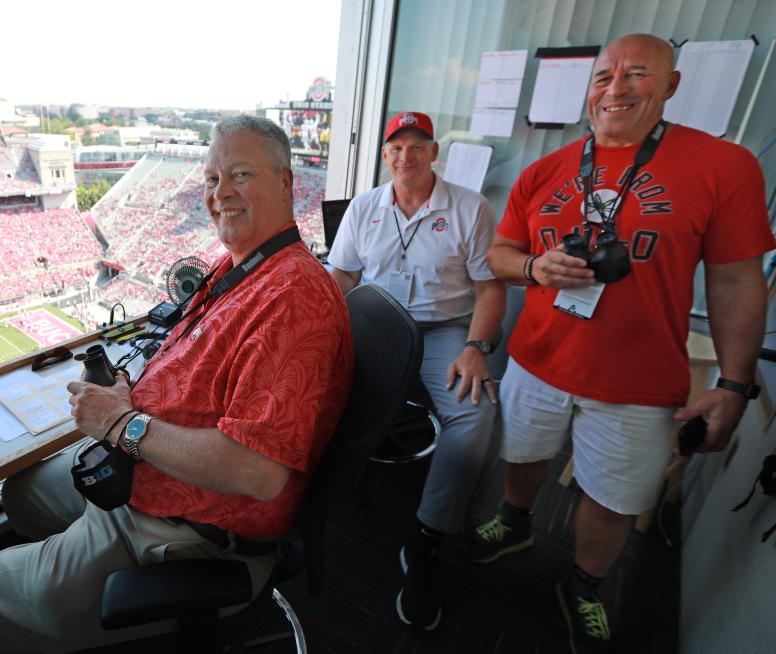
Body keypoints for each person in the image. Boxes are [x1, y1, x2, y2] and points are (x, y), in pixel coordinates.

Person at [0, 115, 354, 653]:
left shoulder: (292, 298)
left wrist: (121, 422)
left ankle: (76, 600)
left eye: (239, 175)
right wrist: (133, 391)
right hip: (149, 476)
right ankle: (66, 611)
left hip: (192, 531)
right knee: (25, 493)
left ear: (286, 183)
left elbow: (258, 470)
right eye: (211, 180)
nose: (220, 194)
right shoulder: (242, 266)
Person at [475, 33, 775, 653]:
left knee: (611, 500)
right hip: (537, 359)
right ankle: (515, 522)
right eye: (603, 77)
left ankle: (585, 586)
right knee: (523, 455)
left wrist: (734, 385)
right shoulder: (545, 170)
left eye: (637, 74)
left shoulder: (723, 166)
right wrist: (535, 268)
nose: (616, 89)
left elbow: (737, 278)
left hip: (639, 382)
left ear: (670, 86)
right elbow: (499, 255)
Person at [328, 111, 506, 631]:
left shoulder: (471, 208)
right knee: (319, 384)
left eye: (416, 146)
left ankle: (427, 538)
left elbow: (492, 287)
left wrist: (477, 346)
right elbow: (342, 274)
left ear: (433, 153)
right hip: (379, 322)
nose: (405, 157)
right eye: (396, 148)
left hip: (443, 330)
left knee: (474, 417)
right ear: (385, 156)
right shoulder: (365, 207)